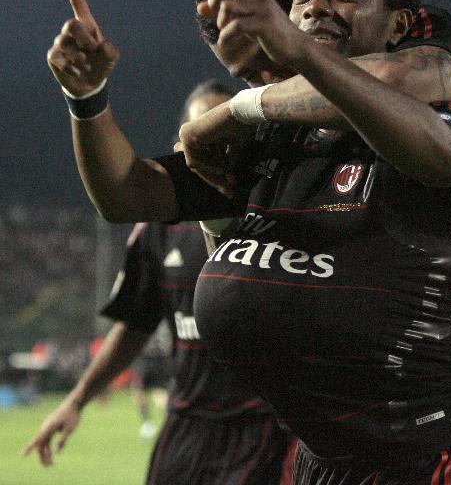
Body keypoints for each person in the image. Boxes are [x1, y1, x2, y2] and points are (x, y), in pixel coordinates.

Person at [44, 0, 451, 482]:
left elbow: (444, 159)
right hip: (316, 460)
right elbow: (126, 193)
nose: (318, 7)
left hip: (420, 461)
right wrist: (87, 99)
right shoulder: (272, 144)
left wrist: (276, 63)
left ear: (397, 24)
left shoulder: (439, 111)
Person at [195, 0, 451, 483]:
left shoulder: (440, 48)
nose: (316, 10)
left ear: (397, 21)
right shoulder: (304, 129)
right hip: (359, 421)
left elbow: (393, 81)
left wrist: (237, 108)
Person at [23, 79, 295, 484]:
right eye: (204, 129)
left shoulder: (282, 213)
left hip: (264, 426)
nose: (218, 144)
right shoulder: (159, 228)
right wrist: (76, 400)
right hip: (185, 425)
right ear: (181, 145)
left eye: (230, 132)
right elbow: (135, 323)